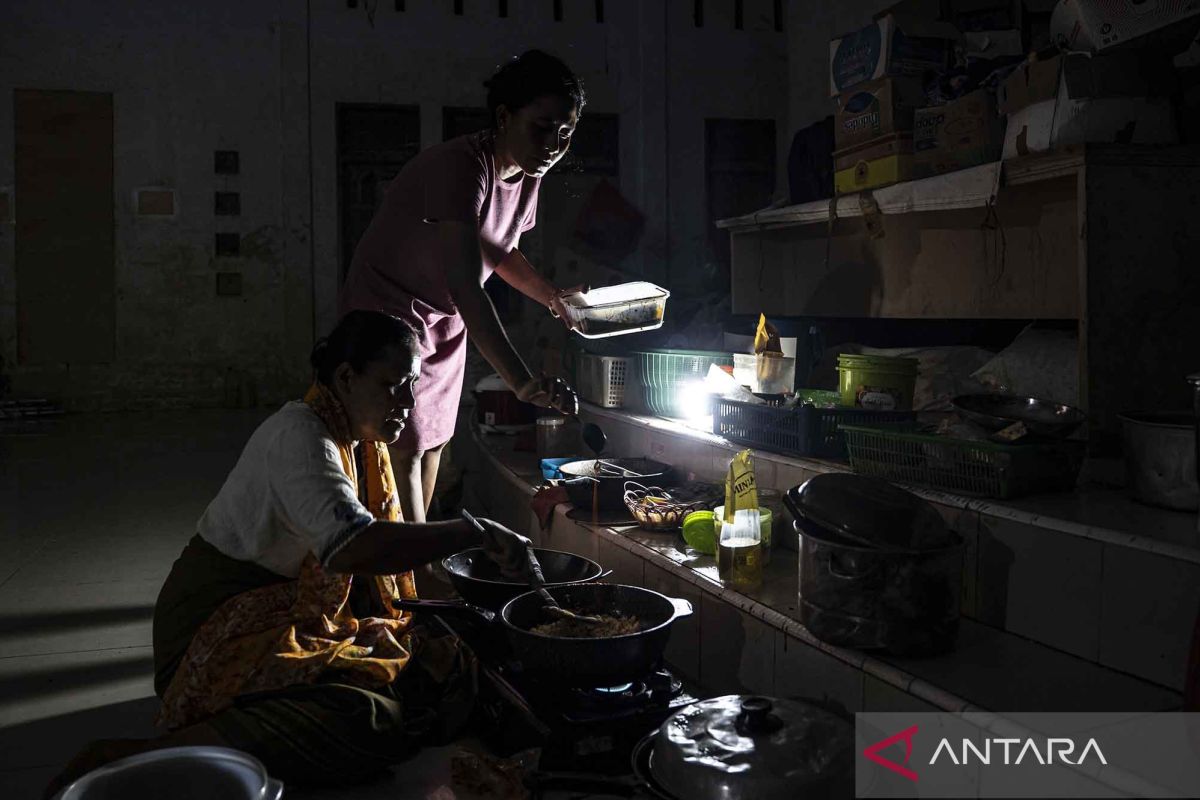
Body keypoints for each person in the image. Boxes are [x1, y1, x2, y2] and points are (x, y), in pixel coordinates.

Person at [46, 310, 532, 796]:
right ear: (346, 377)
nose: (408, 402)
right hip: (215, 631)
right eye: (393, 385)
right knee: (372, 717)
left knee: (430, 669)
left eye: (411, 384)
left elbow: (384, 567)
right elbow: (353, 547)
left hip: (283, 614)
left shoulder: (360, 438)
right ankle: (135, 755)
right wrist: (472, 532)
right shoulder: (300, 436)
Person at [339, 49, 585, 525]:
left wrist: (553, 298)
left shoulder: (528, 174)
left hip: (445, 318)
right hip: (389, 313)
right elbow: (468, 286)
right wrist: (522, 381)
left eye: (566, 132)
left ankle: (416, 559)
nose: (554, 143)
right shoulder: (462, 166)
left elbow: (498, 248)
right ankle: (410, 572)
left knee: (432, 442)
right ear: (503, 117)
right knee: (402, 445)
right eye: (542, 127)